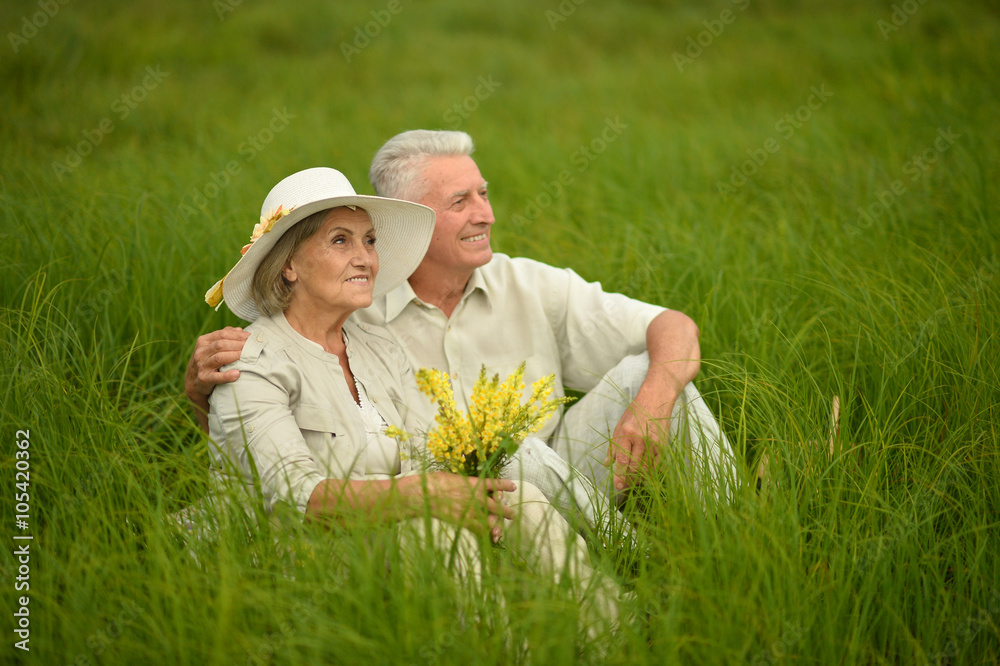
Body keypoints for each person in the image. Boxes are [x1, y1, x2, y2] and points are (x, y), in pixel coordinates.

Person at [188, 132, 737, 527]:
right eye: (461, 201)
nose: (487, 214)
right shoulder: (353, 304)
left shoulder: (529, 284)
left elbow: (674, 325)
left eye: (484, 193)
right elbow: (271, 408)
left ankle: (734, 527)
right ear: (412, 217)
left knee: (651, 369)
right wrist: (201, 391)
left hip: (564, 470)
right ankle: (624, 551)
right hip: (439, 497)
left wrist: (652, 402)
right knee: (504, 449)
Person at [202, 166, 620, 628]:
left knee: (519, 498)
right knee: (432, 532)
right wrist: (424, 496)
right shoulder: (251, 364)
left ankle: (612, 636)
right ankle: (503, 651)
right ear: (288, 264)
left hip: (390, 531)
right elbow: (299, 499)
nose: (364, 257)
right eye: (340, 241)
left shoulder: (378, 349)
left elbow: (425, 454)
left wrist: (455, 496)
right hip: (306, 560)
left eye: (370, 241)